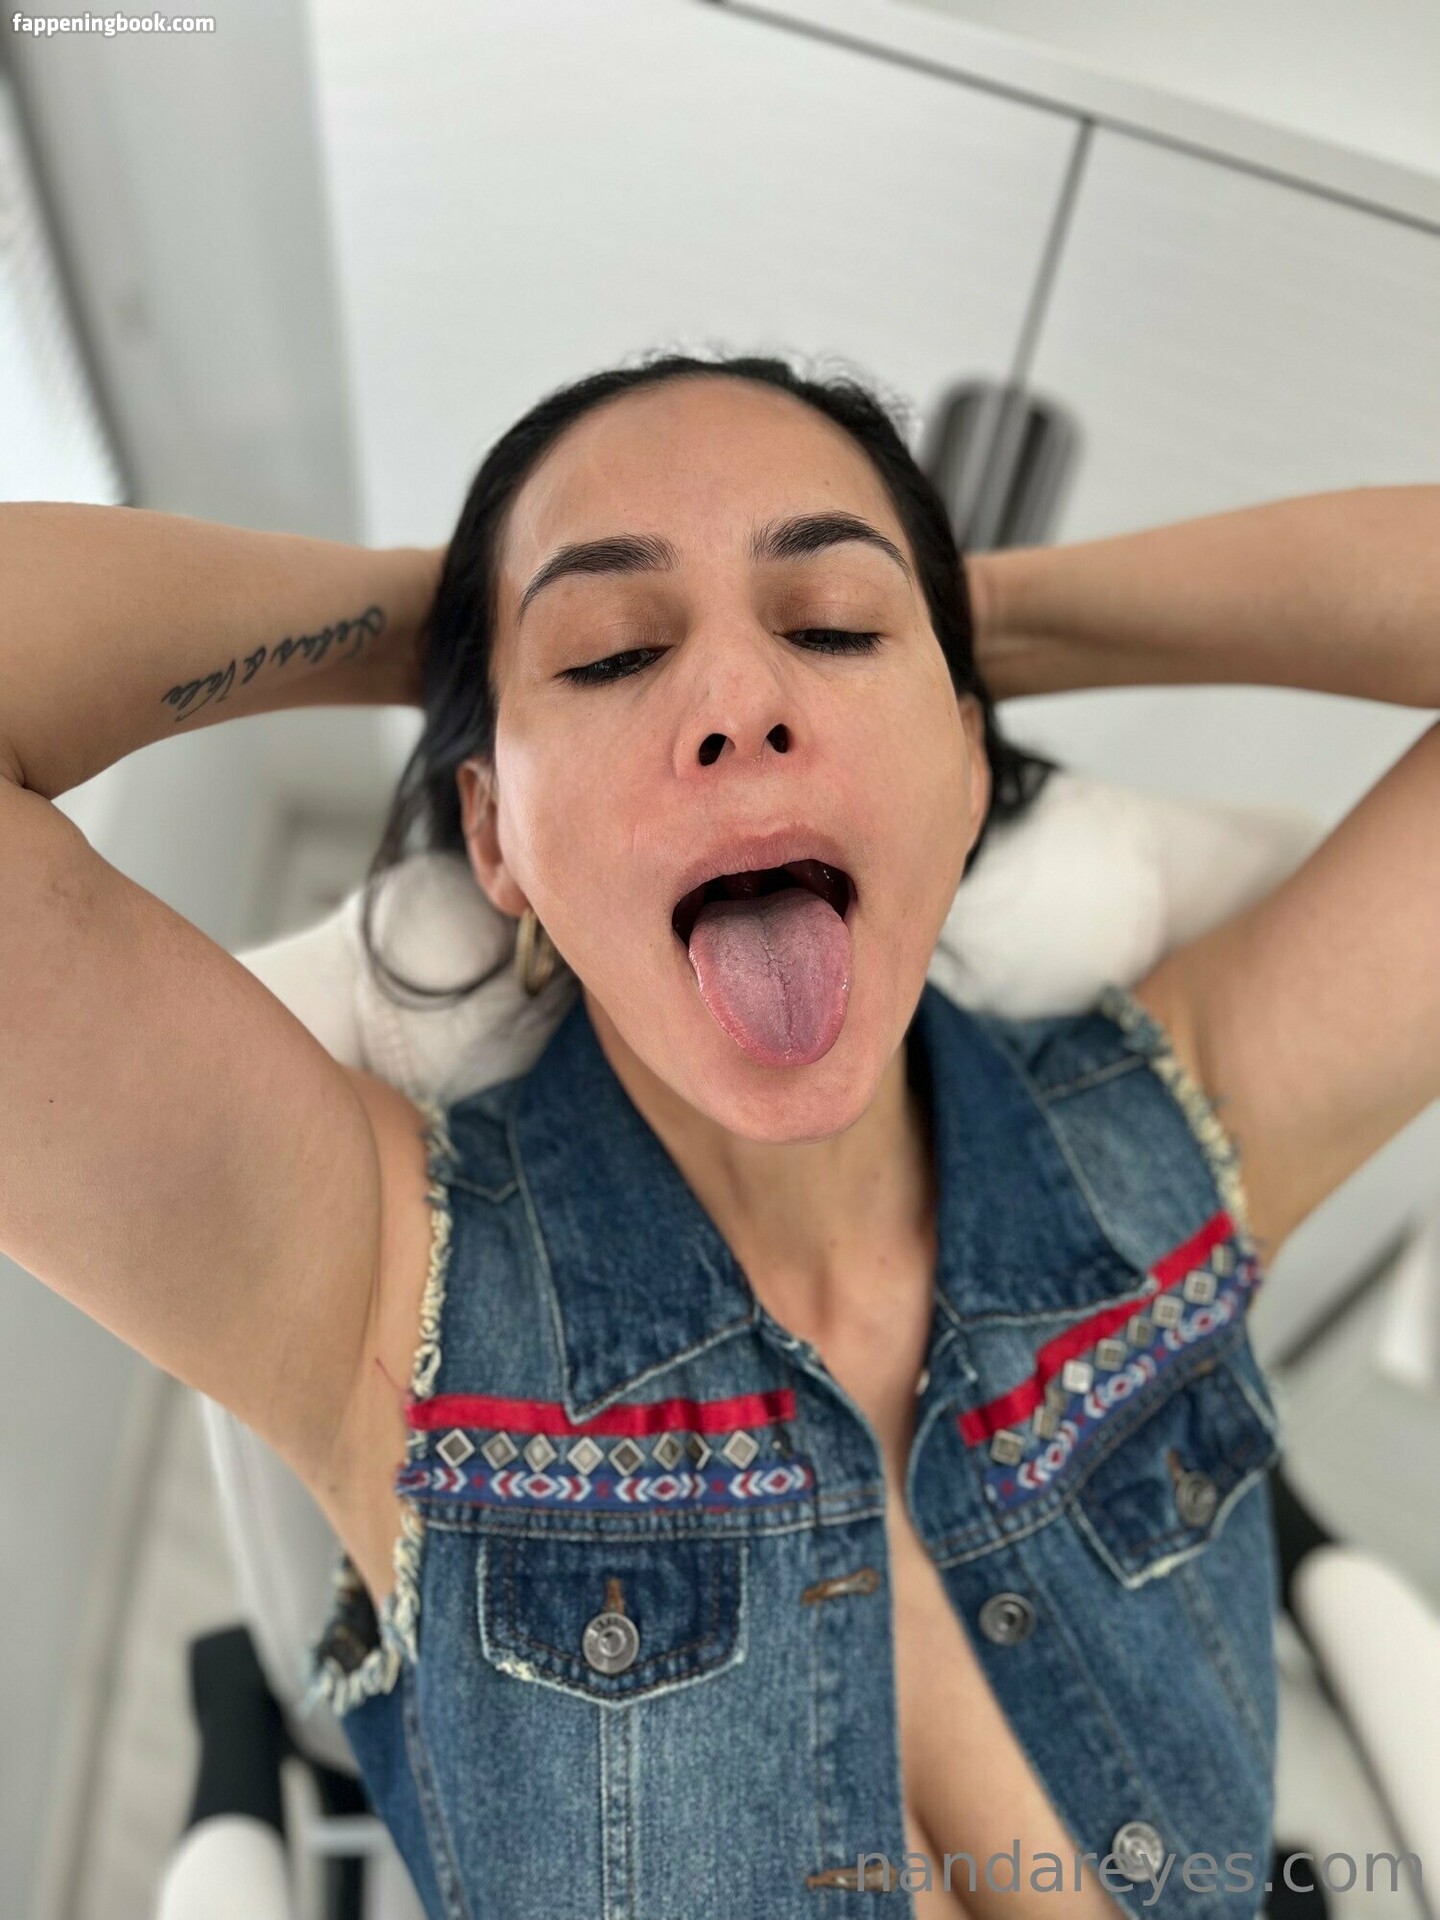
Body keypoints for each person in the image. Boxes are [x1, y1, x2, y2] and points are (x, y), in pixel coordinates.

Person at [2, 352, 1436, 1920]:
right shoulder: (374, 1288)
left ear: (969, 765)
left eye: (834, 626)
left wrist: (989, 611)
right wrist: (440, 615)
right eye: (610, 653)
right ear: (495, 835)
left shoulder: (1170, 1134)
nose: (741, 704)